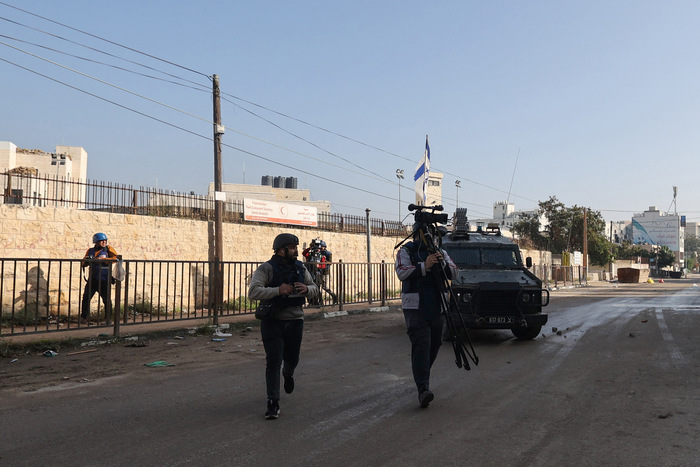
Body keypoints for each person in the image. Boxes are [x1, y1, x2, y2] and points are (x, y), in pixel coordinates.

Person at [248, 233, 318, 420]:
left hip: (295, 321)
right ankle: (273, 402)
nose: (296, 251)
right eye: (292, 248)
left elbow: (314, 288)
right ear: (281, 250)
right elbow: (253, 291)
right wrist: (278, 290)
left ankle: (288, 373)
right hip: (272, 321)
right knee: (273, 362)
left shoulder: (300, 268)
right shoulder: (266, 268)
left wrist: (307, 289)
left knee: (292, 359)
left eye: (295, 247)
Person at [395, 223, 458, 408]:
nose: (429, 237)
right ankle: (423, 389)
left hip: (437, 305)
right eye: (426, 233)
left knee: (435, 344)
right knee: (421, 344)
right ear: (417, 234)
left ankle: (421, 374)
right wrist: (425, 265)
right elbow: (401, 272)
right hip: (415, 308)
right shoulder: (406, 251)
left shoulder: (441, 252)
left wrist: (442, 263)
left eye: (432, 233)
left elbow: (455, 272)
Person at [80, 232, 118, 324]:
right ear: (96, 242)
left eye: (105, 240)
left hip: (105, 279)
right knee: (86, 298)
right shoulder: (90, 251)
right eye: (101, 241)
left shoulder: (108, 249)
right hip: (93, 279)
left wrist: (103, 260)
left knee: (106, 299)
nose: (104, 242)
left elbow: (116, 258)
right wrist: (87, 261)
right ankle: (84, 318)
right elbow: (83, 263)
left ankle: (108, 319)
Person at [302, 239, 337, 304]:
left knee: (318, 288)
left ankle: (319, 302)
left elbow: (324, 265)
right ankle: (311, 302)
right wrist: (310, 247)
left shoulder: (322, 255)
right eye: (317, 248)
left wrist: (319, 266)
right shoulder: (310, 254)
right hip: (310, 273)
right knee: (309, 287)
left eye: (319, 248)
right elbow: (304, 253)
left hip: (318, 274)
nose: (318, 250)